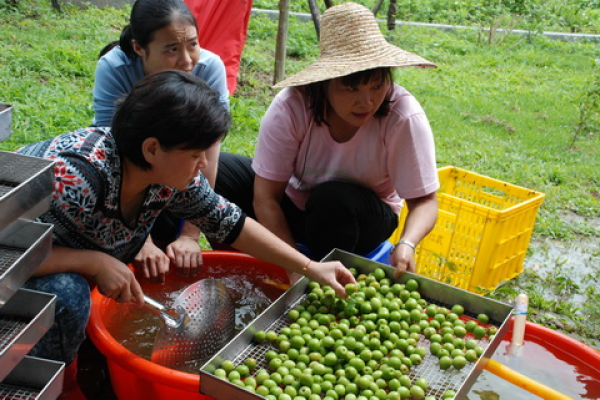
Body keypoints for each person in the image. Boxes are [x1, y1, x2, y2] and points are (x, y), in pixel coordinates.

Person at [17, 70, 356, 364]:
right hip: (16, 268)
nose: (205, 166)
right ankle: (47, 381)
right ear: (152, 148)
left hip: (50, 254)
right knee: (67, 293)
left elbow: (230, 222)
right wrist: (93, 262)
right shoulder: (75, 179)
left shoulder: (163, 176)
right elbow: (8, 251)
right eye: (196, 154)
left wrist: (309, 267)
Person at [216, 2, 439, 279]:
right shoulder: (292, 107)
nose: (366, 101)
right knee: (218, 172)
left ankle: (332, 279)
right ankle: (241, 268)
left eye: (376, 86)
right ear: (325, 83)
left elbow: (425, 201)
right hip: (297, 208)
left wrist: (407, 244)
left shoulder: (402, 115)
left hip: (361, 218)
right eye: (351, 88)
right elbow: (266, 197)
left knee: (332, 199)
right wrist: (296, 267)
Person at [93, 0, 229, 283]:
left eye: (192, 44)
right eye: (171, 49)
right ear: (139, 48)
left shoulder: (208, 67)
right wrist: (139, 243)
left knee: (226, 177)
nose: (187, 60)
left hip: (176, 159)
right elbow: (113, 153)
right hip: (136, 167)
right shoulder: (115, 68)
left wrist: (191, 235)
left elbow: (207, 153)